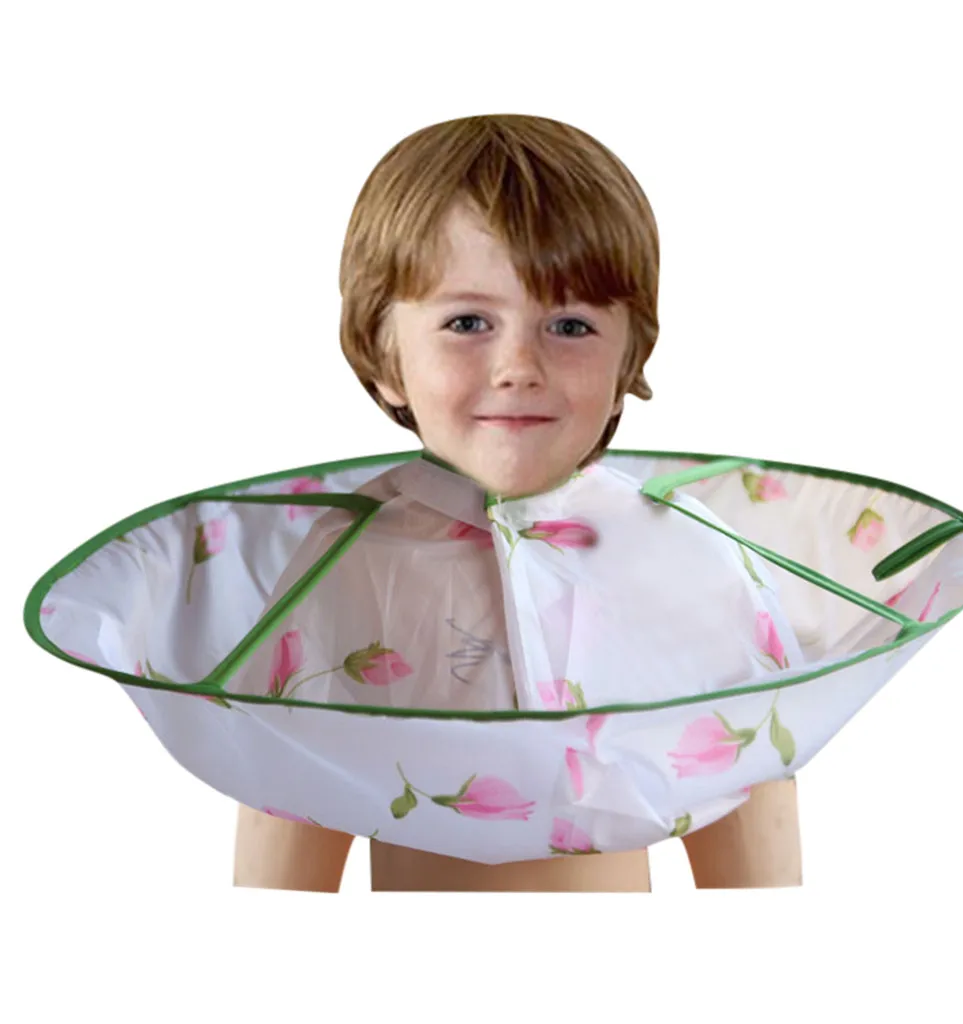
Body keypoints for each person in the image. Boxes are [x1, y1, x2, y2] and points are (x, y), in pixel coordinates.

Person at [232, 114, 803, 892]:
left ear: (627, 359)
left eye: (569, 324)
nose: (519, 366)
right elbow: (288, 784)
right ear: (385, 356)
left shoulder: (683, 555)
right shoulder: (348, 560)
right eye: (467, 322)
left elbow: (750, 774)